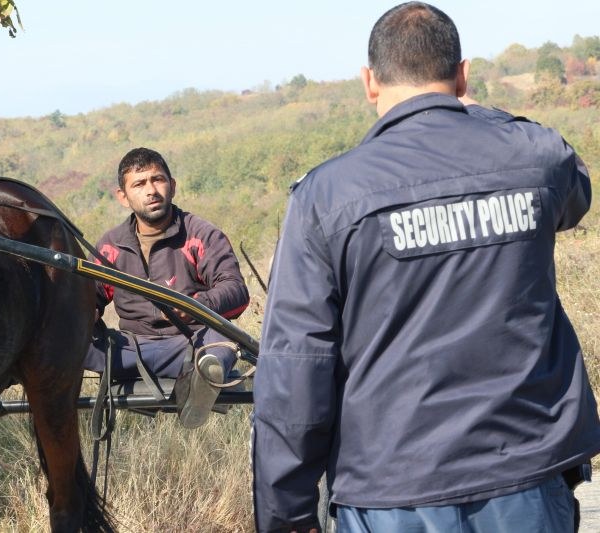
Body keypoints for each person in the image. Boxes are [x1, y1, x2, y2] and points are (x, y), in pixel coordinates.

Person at [252, 3, 599, 532]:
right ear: (463, 75)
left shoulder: (326, 197)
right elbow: (576, 188)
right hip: (526, 474)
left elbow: (296, 366)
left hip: (391, 489)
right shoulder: (533, 158)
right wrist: (483, 117)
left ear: (369, 82)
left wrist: (287, 515)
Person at [84, 147, 249, 429]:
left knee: (222, 341)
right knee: (72, 340)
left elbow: (236, 291)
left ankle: (202, 380)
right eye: (139, 183)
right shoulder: (110, 245)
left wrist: (195, 306)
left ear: (172, 186)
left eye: (157, 180)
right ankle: (203, 378)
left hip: (191, 344)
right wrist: (85, 312)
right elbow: (90, 297)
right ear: (122, 197)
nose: (151, 190)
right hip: (131, 350)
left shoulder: (200, 234)